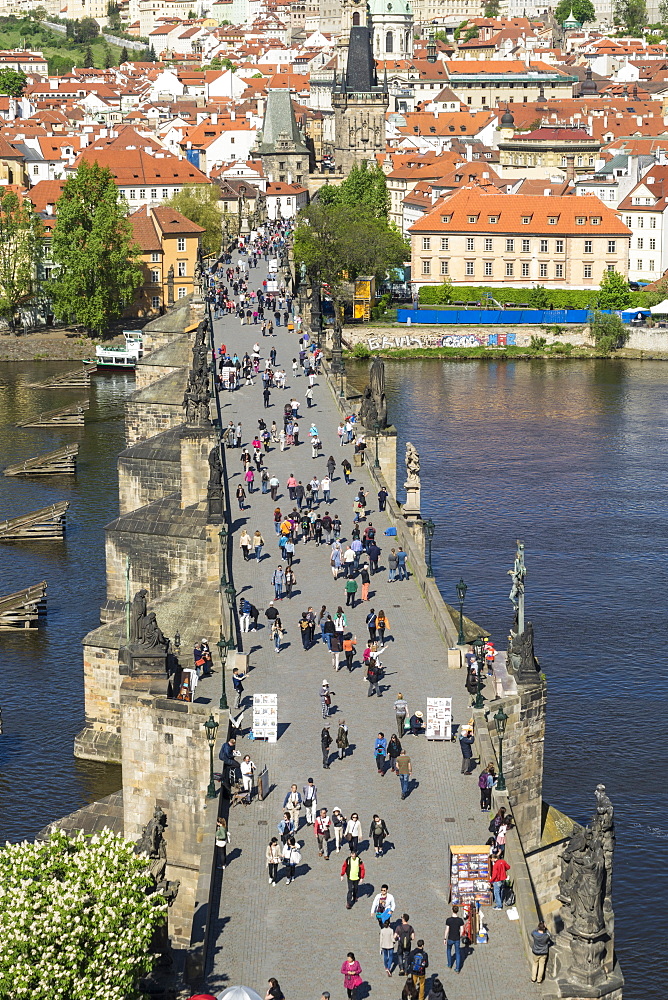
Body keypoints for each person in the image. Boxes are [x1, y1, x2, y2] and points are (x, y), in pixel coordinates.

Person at [444, 904, 465, 973]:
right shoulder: (460, 920)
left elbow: (447, 929)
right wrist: (461, 936)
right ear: (458, 911)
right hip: (457, 939)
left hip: (450, 938)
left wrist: (444, 938)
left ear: (452, 910)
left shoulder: (448, 920)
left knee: (448, 950)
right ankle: (457, 968)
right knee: (458, 953)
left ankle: (450, 964)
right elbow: (462, 931)